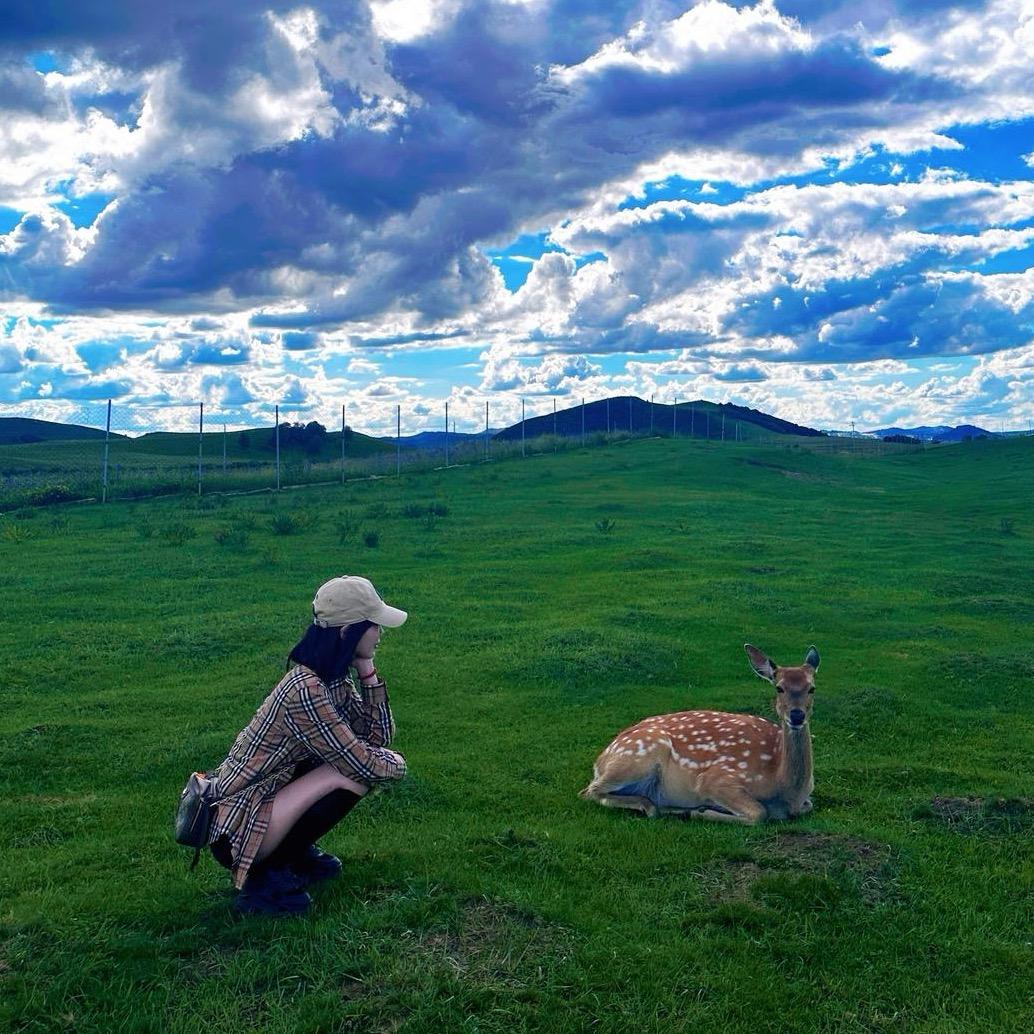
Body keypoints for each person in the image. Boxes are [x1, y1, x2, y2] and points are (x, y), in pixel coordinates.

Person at [206, 575, 408, 915]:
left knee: (345, 771)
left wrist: (368, 672)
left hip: (267, 804)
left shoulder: (331, 679)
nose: (380, 633)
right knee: (346, 776)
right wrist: (397, 764)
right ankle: (264, 877)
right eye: (373, 625)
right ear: (348, 633)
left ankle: (292, 856)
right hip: (236, 827)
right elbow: (362, 762)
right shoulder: (306, 691)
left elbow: (377, 738)